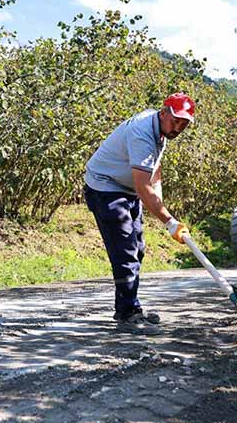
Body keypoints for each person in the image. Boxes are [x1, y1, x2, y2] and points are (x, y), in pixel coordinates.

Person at [83, 92, 195, 335]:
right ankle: (127, 314)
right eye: (175, 120)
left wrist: (164, 212)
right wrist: (169, 220)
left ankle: (129, 307)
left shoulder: (161, 133)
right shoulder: (142, 132)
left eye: (184, 124)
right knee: (125, 250)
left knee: (138, 248)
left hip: (126, 190)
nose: (178, 127)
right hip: (105, 188)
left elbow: (154, 173)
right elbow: (144, 186)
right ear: (163, 113)